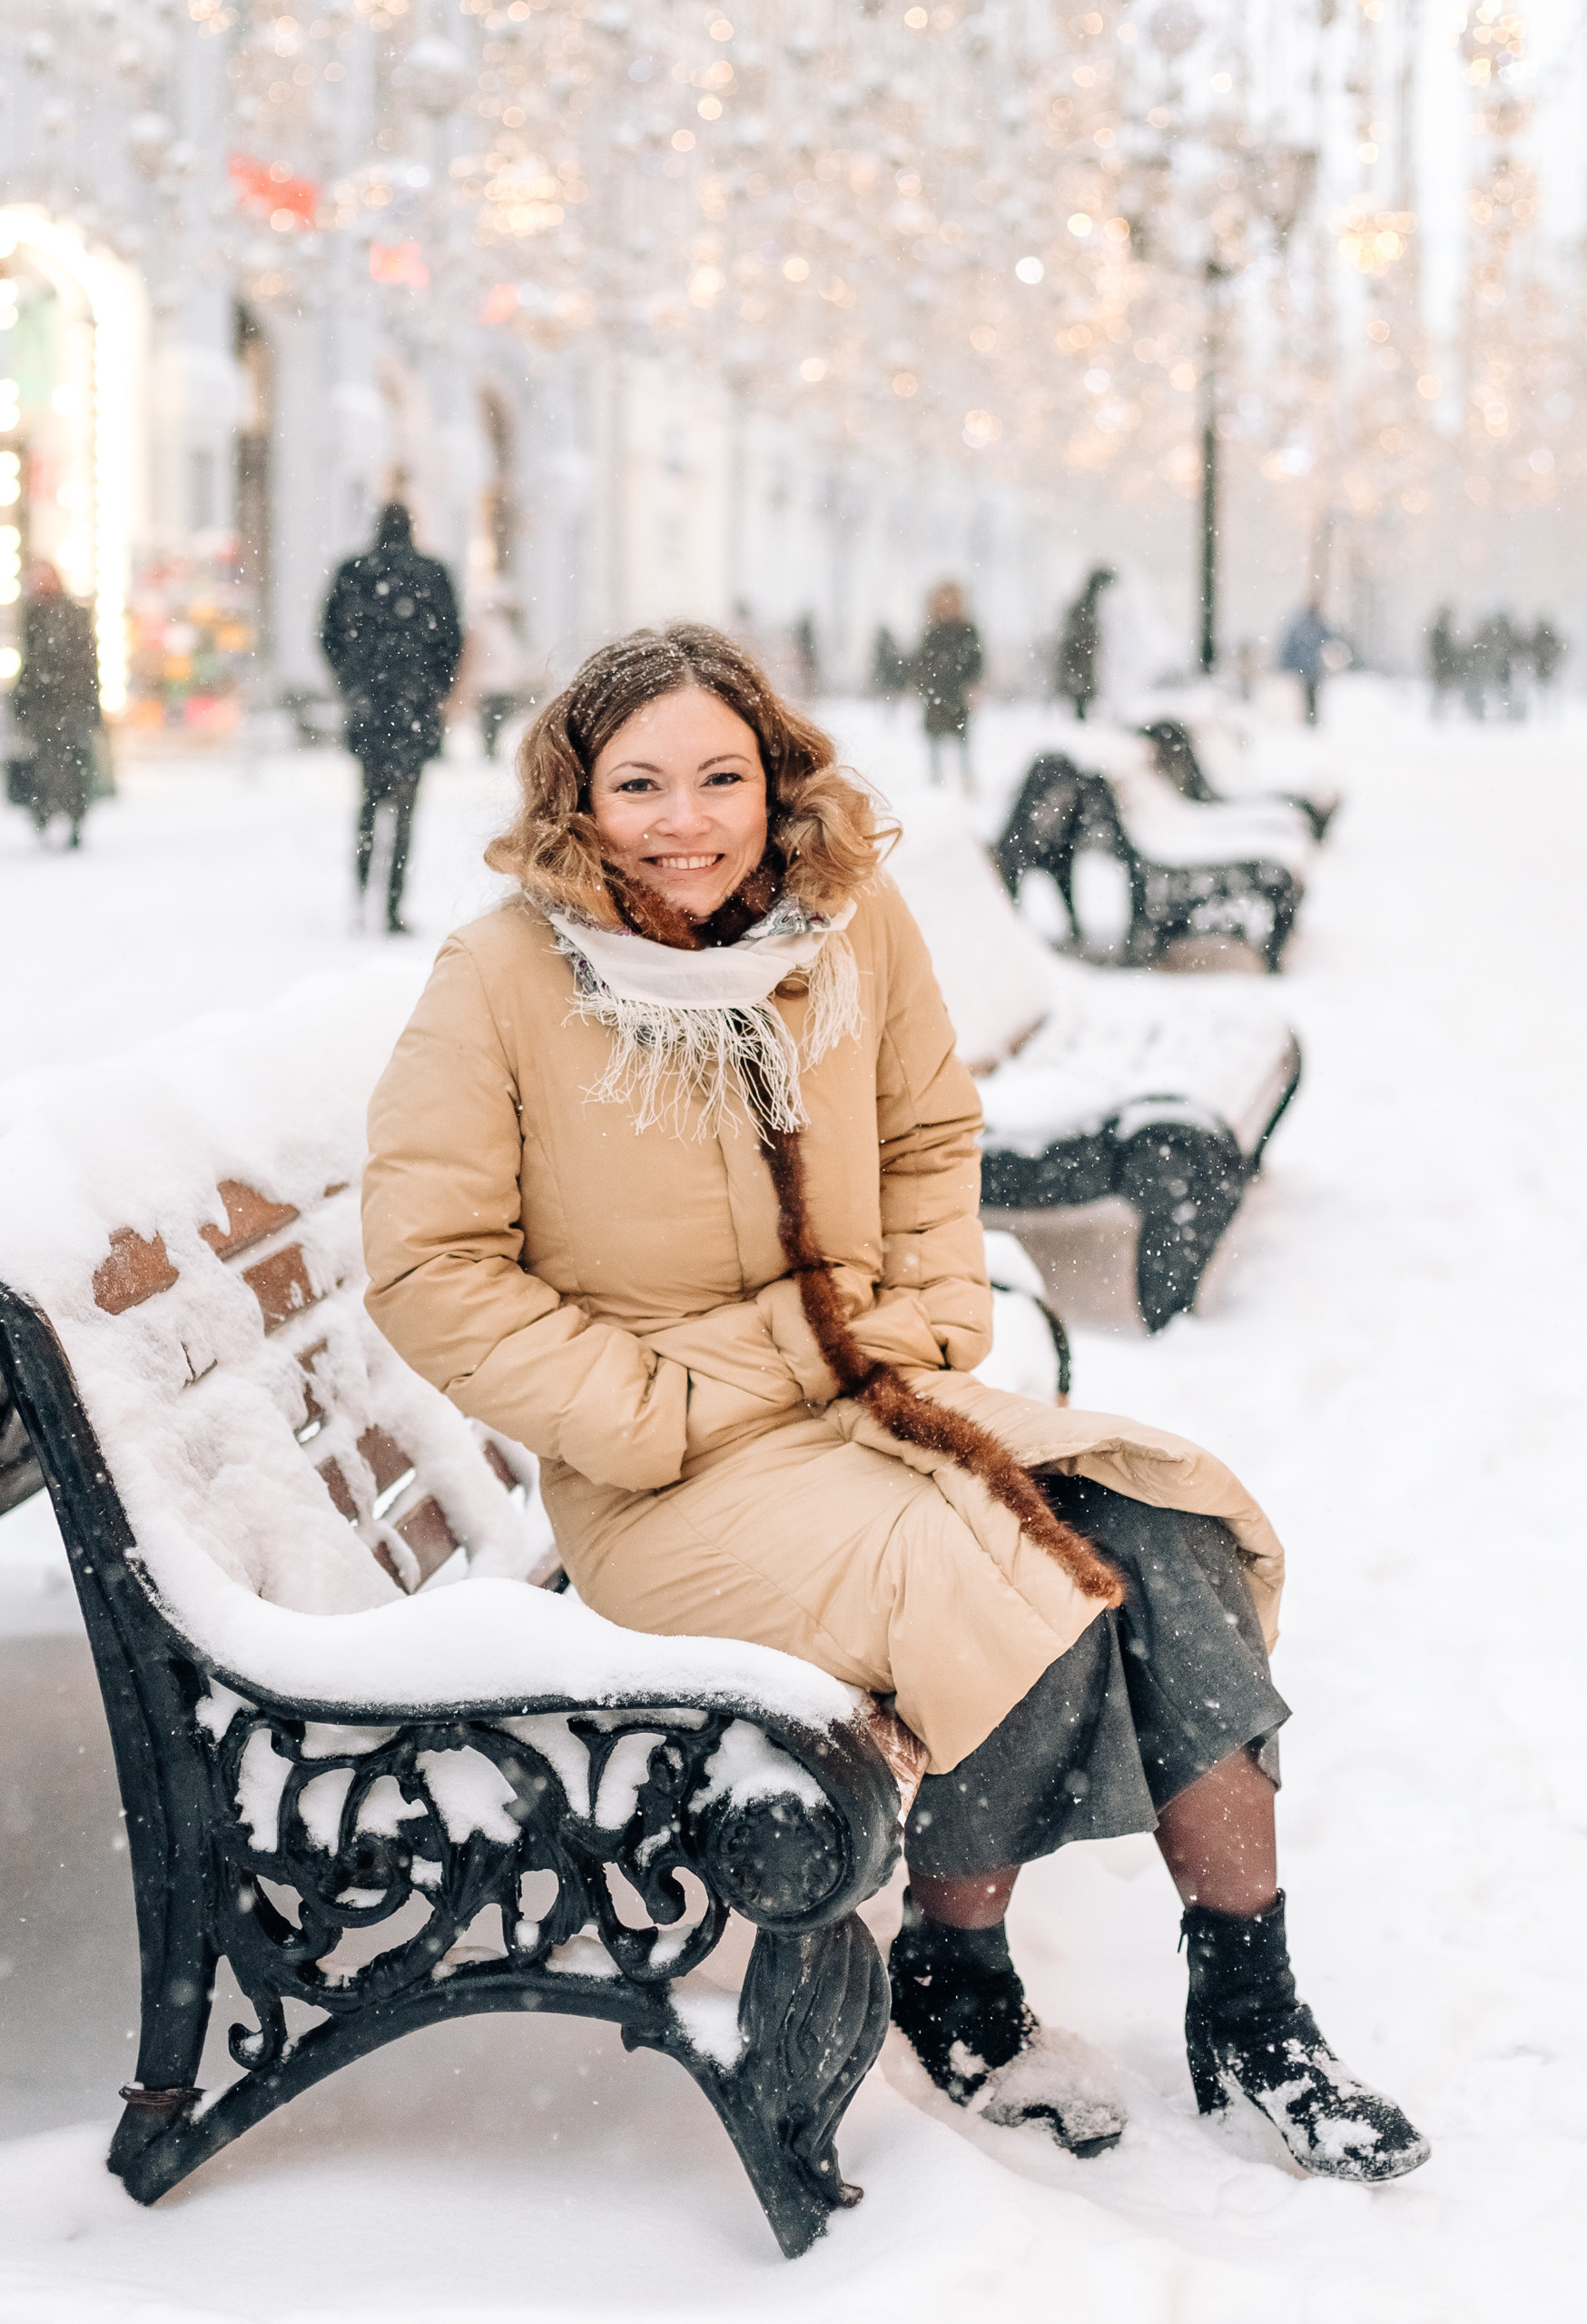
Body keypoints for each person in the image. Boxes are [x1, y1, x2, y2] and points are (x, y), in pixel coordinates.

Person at [363, 622, 1428, 2185]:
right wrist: (648, 1409)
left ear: (773, 772)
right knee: (998, 1578)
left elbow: (932, 1133)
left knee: (1161, 1515)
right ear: (577, 798)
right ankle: (958, 1971)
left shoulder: (851, 925)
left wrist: (933, 1311)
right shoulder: (505, 979)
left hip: (874, 1396)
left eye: (721, 775)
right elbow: (430, 1267)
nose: (688, 818)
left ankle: (1253, 2007)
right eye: (641, 782)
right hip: (670, 1481)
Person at [320, 493, 462, 932]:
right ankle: (392, 906)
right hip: (414, 708)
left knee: (367, 802)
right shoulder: (433, 575)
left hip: (371, 706)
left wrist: (352, 682)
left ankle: (362, 896)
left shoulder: (353, 573)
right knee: (404, 808)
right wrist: (434, 688)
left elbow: (329, 635)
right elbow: (451, 642)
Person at [9, 560, 102, 849]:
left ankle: (71, 820)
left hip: (66, 707)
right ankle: (47, 816)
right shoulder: (33, 615)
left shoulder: (69, 615)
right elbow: (30, 664)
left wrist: (87, 702)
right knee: (48, 766)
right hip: (46, 708)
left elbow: (83, 664)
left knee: (71, 766)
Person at [913, 580, 984, 787]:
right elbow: (921, 662)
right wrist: (923, 686)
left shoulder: (967, 630)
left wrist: (973, 685)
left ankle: (966, 777)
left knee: (963, 737)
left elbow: (976, 660)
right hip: (935, 692)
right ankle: (935, 781)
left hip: (958, 693)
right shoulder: (932, 630)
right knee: (934, 737)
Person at [464, 587, 534, 762]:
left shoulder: (488, 627)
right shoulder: (501, 628)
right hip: (497, 684)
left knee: (491, 721)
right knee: (493, 720)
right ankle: (490, 748)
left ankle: (490, 747)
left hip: (494, 684)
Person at [1054, 567, 1114, 720]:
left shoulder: (1086, 607)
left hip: (1082, 663)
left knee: (1082, 701)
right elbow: (1077, 638)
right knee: (1081, 701)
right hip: (1080, 662)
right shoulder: (1084, 608)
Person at [1277, 598, 1344, 726]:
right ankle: (1309, 719)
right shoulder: (1304, 625)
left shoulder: (1314, 625)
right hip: (1306, 666)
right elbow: (1291, 646)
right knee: (1307, 693)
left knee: (1311, 693)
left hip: (1311, 666)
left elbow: (1330, 637)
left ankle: (1311, 719)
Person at [1427, 606, 1464, 719]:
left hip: (1441, 669)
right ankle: (1438, 718)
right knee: (1440, 696)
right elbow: (1442, 653)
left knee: (1441, 697)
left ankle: (1439, 717)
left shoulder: (1441, 633)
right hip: (1442, 670)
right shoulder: (1441, 634)